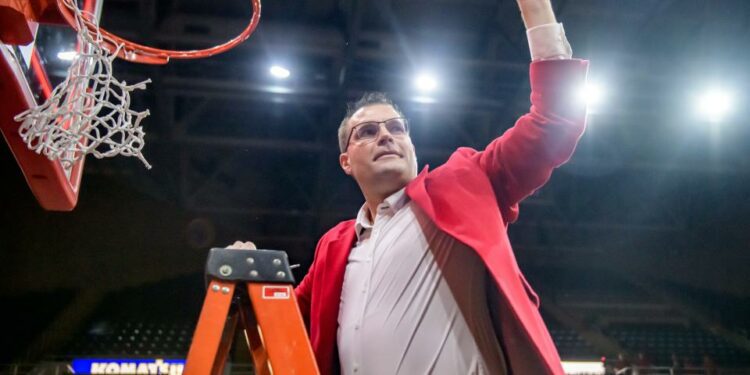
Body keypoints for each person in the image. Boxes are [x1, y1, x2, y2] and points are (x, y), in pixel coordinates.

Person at [232, 0, 588, 373]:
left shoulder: (466, 182)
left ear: (412, 147)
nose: (386, 135)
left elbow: (554, 121)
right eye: (367, 132)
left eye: (397, 128)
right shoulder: (332, 248)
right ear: (346, 162)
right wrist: (250, 274)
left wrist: (535, 8)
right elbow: (282, 320)